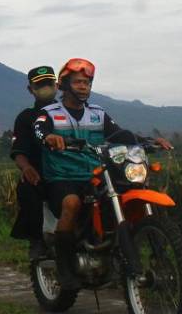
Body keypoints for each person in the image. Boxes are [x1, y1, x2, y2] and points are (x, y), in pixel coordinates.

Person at [33, 58, 172, 289]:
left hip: (95, 174)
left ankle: (117, 252)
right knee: (71, 203)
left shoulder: (98, 114)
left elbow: (119, 134)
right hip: (63, 177)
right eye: (77, 82)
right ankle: (65, 267)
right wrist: (49, 137)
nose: (83, 86)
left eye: (87, 82)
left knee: (120, 197)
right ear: (65, 85)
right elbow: (39, 130)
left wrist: (148, 141)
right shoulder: (48, 113)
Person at [9, 65, 58, 260]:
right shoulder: (26, 117)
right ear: (31, 89)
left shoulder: (69, 112)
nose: (45, 87)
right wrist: (27, 167)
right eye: (40, 85)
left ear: (57, 85)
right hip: (42, 173)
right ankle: (37, 239)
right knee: (27, 188)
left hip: (72, 171)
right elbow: (18, 150)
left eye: (48, 83)